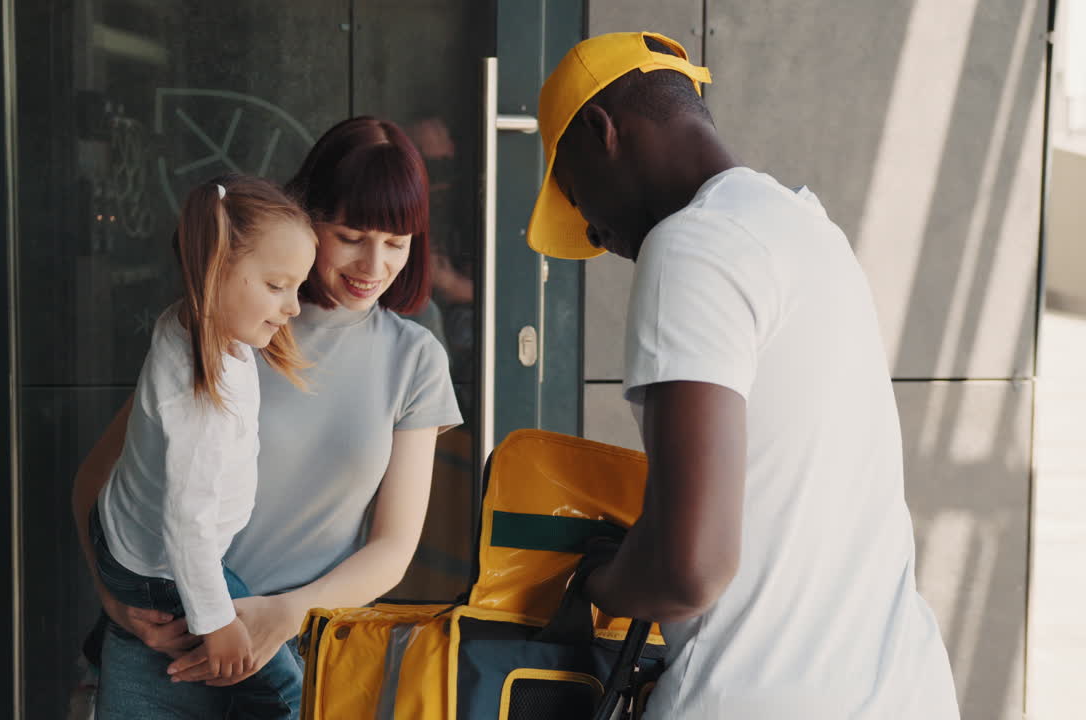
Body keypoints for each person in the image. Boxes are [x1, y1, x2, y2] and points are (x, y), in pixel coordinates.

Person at [526, 32, 959, 719]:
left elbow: (688, 568)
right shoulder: (810, 230)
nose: (598, 237)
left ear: (601, 130)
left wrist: (601, 582)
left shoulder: (693, 244)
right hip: (902, 690)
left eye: (578, 198)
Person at [72, 116, 462, 716]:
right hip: (168, 644)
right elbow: (97, 481)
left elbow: (392, 546)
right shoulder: (235, 321)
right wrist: (117, 598)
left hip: (297, 652)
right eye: (352, 234)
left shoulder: (414, 359)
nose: (374, 265)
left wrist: (284, 614)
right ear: (305, 215)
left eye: (397, 242)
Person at [83, 175, 316, 718]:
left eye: (298, 287)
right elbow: (186, 525)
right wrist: (217, 625)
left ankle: (107, 650)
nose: (294, 308)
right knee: (284, 690)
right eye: (277, 285)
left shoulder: (190, 323)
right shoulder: (200, 400)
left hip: (123, 531)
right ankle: (124, 649)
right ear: (216, 271)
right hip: (157, 566)